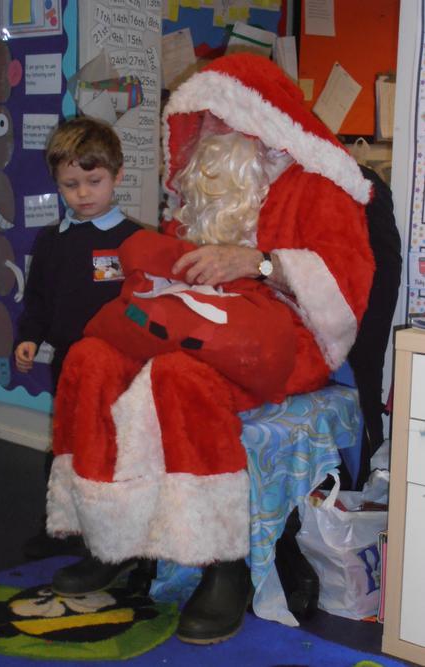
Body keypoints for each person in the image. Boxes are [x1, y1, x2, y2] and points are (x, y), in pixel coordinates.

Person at [45, 53, 376, 644]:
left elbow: (345, 292)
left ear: (262, 121)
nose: (210, 134)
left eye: (223, 119)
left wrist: (258, 263)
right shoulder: (202, 186)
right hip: (193, 320)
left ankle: (225, 563)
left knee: (180, 375)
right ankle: (111, 538)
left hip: (285, 338)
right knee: (91, 359)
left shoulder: (317, 185)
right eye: (203, 121)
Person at [14, 115, 143, 558]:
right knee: (65, 444)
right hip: (68, 363)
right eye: (71, 185)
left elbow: (148, 306)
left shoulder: (134, 240)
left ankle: (113, 532)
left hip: (120, 368)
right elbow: (38, 300)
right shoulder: (51, 241)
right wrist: (29, 338)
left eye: (94, 181)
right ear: (57, 183)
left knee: (113, 446)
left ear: (117, 176)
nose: (83, 193)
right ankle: (58, 526)